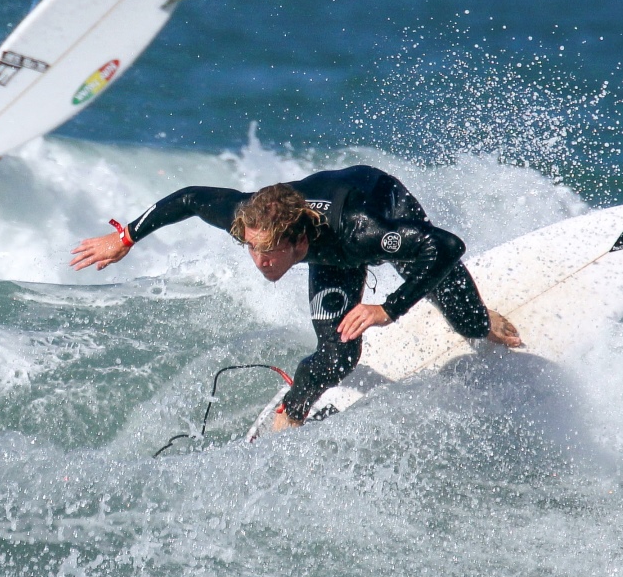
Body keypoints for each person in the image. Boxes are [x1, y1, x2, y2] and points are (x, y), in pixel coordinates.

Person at [70, 164, 520, 426]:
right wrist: (126, 237)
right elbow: (188, 198)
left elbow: (447, 246)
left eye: (269, 254)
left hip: (380, 207)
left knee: (470, 323)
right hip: (331, 253)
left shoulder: (363, 231)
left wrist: (388, 307)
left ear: (298, 244)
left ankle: (481, 313)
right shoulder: (248, 218)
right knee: (337, 355)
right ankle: (291, 413)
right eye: (251, 248)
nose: (259, 262)